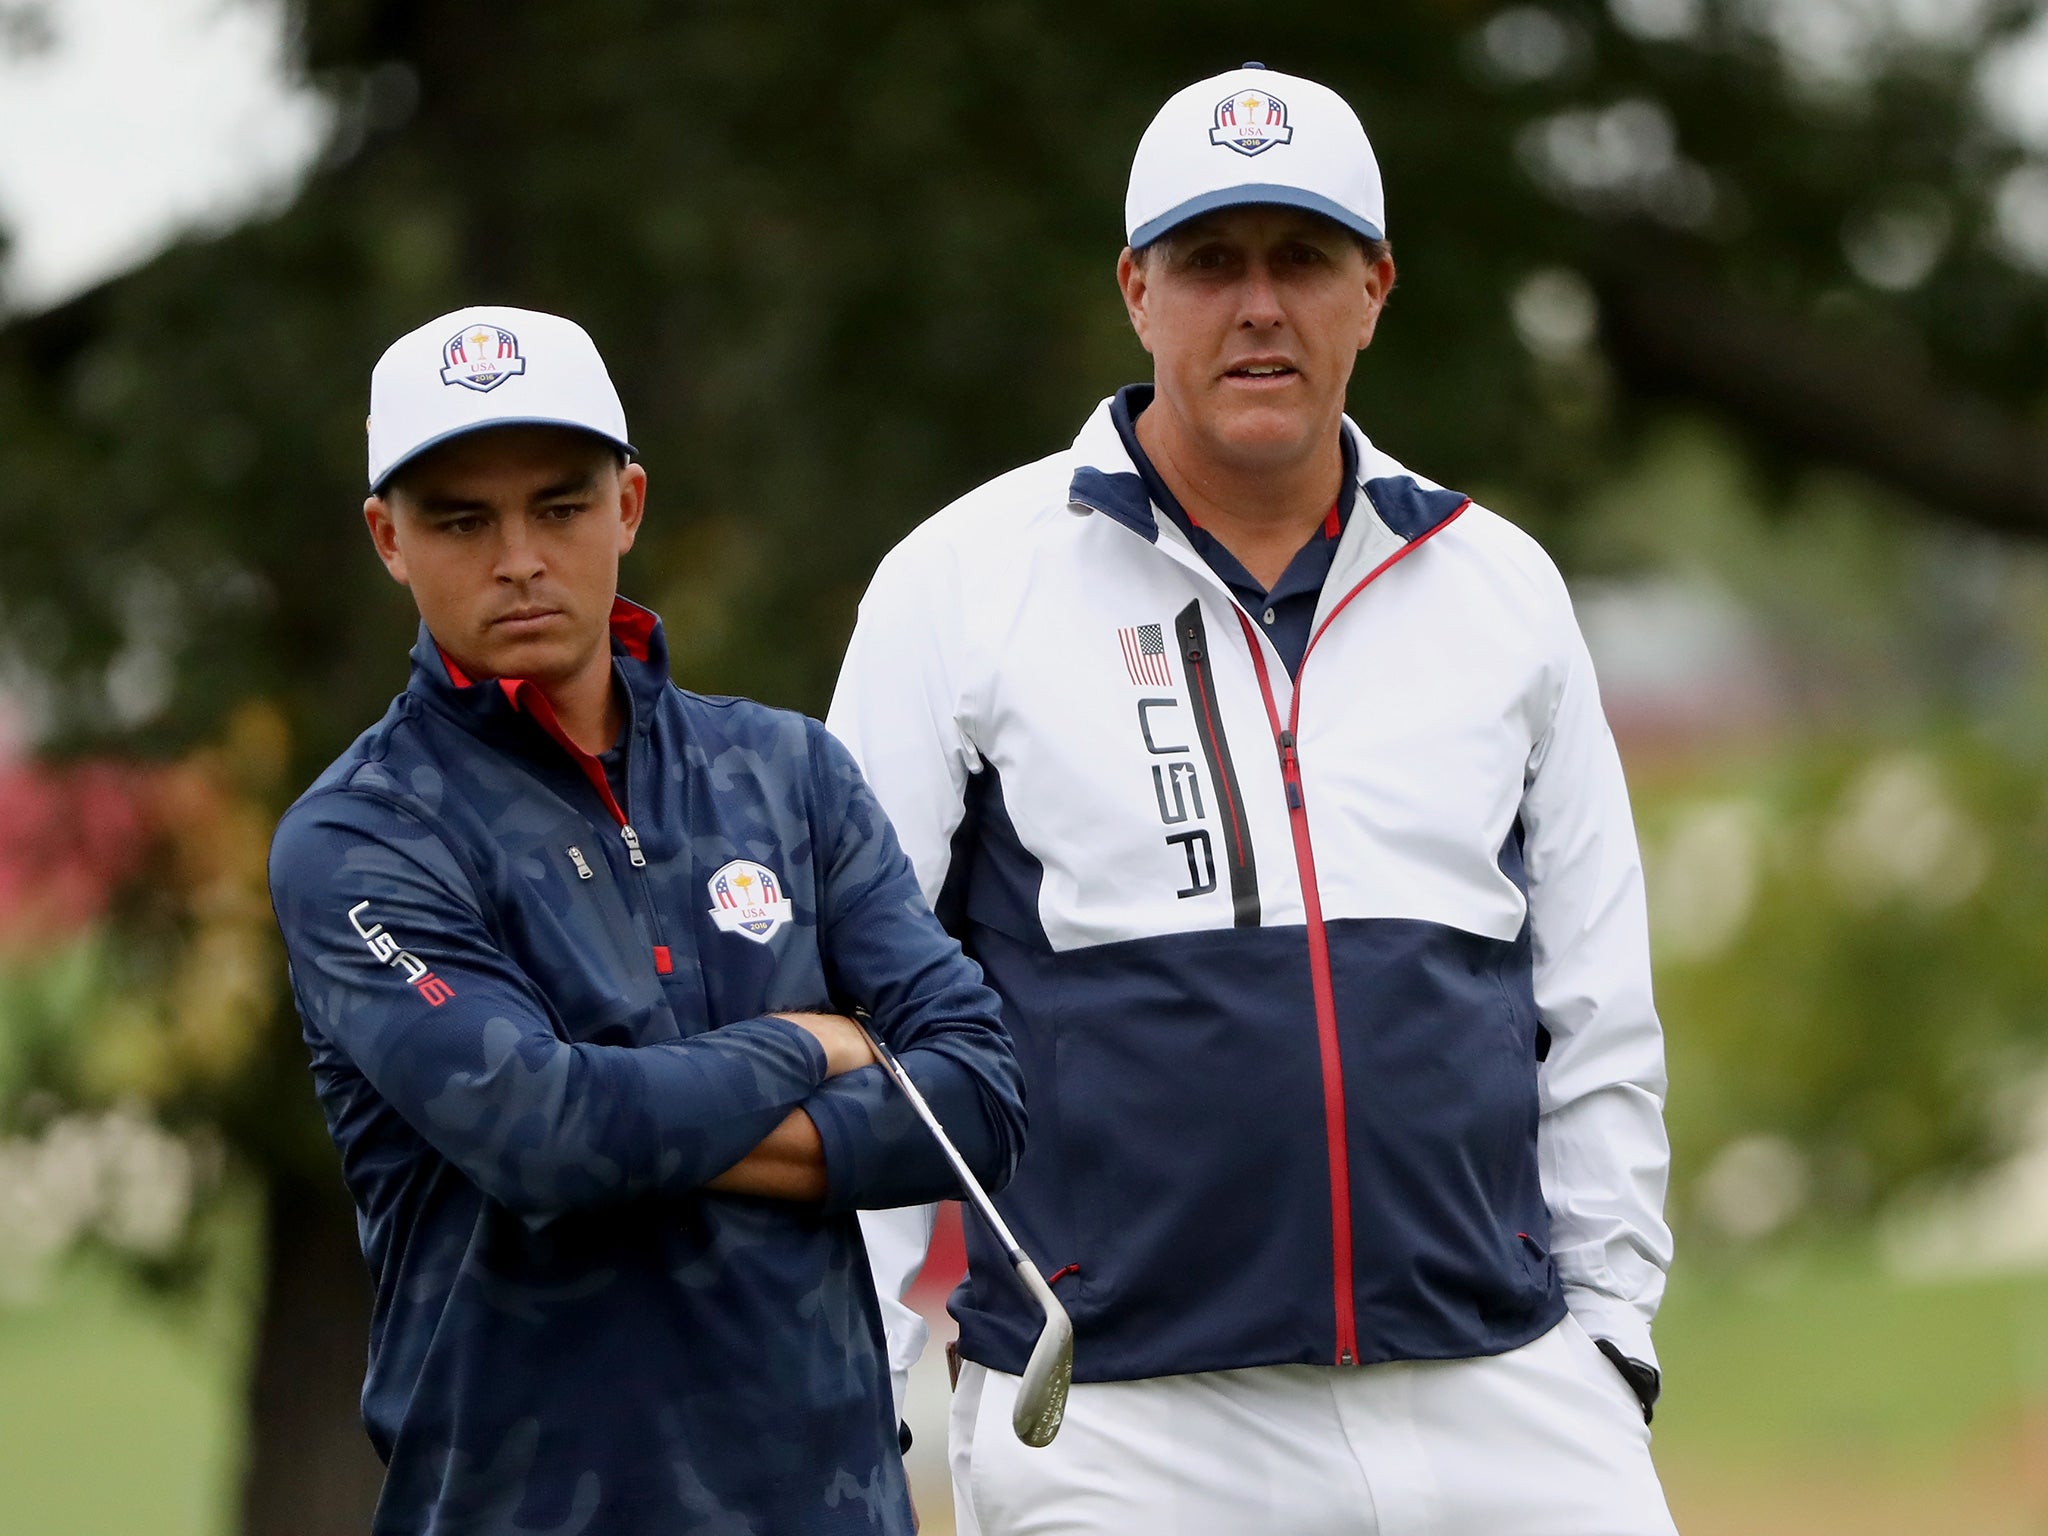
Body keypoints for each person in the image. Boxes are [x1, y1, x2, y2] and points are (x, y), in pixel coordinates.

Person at [828, 66, 1677, 1535]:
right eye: (1213, 263)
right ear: (1138, 292)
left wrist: (1609, 1337)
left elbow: (1596, 1003)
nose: (1259, 306)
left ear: (1375, 287)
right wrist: (860, 1381)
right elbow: (857, 1018)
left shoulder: (1502, 587)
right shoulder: (959, 583)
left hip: (1501, 1387)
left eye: (1302, 260)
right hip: (1121, 1413)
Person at [267, 305, 1026, 1536]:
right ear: (386, 539)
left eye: (558, 507)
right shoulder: (361, 835)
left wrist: (622, 1107)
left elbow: (980, 1099)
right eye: (461, 519)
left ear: (626, 505)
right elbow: (541, 1140)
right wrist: (815, 1042)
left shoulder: (789, 772)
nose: (518, 556)